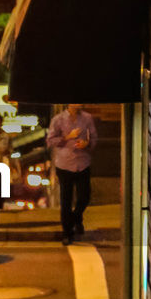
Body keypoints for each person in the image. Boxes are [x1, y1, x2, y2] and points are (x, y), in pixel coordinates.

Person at [47, 103, 98, 243]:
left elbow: (94, 137)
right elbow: (50, 140)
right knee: (66, 199)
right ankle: (67, 233)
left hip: (83, 162)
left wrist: (87, 144)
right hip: (64, 164)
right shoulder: (58, 119)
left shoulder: (87, 118)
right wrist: (67, 137)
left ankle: (75, 218)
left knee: (84, 197)